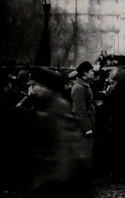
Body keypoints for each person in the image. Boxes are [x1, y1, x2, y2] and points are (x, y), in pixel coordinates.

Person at [20, 68, 92, 198]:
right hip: (48, 173)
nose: (32, 89)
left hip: (57, 177)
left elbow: (65, 142)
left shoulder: (58, 106)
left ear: (47, 87)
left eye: (35, 85)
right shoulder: (44, 105)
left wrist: (61, 178)